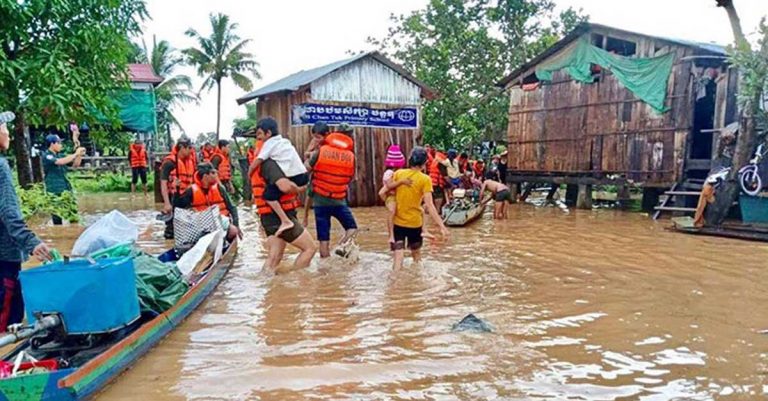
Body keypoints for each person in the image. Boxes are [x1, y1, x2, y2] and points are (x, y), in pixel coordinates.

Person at [0, 111, 51, 331]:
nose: (8, 132)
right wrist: (31, 242)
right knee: (7, 327)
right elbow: (8, 212)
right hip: (4, 259)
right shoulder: (0, 167)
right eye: (3, 127)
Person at [250, 129, 317, 273]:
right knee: (310, 249)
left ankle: (269, 288)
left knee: (275, 257)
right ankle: (296, 283)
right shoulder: (269, 163)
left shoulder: (263, 161)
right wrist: (301, 189)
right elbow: (285, 187)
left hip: (268, 216)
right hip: (279, 217)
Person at [385, 147, 449, 270]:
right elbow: (430, 206)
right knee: (417, 259)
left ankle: (394, 287)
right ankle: (417, 285)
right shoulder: (425, 179)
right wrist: (442, 226)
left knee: (398, 260)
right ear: (425, 163)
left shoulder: (399, 174)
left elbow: (389, 189)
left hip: (398, 223)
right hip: (415, 224)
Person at [304, 123, 359, 258]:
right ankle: (339, 248)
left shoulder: (321, 151)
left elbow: (305, 169)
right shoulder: (351, 157)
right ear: (350, 137)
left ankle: (324, 273)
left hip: (320, 201)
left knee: (323, 241)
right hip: (338, 201)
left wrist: (307, 154)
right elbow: (349, 178)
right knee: (352, 228)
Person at [248, 118, 309, 237]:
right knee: (275, 255)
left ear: (268, 133)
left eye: (260, 134)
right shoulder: (284, 141)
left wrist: (249, 173)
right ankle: (286, 220)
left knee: (268, 196)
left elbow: (258, 161)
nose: (258, 137)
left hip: (294, 179)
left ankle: (285, 221)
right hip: (302, 176)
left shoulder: (268, 145)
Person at [174, 163, 242, 241]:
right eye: (213, 173)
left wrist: (236, 225)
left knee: (233, 231)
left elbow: (232, 208)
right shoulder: (191, 191)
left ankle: (225, 242)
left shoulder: (220, 188)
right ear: (205, 176)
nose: (216, 175)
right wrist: (176, 192)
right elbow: (178, 207)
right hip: (202, 228)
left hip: (221, 223)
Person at [42, 134, 85, 225]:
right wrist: (75, 154)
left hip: (66, 188)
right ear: (52, 144)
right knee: (56, 216)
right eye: (59, 143)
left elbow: (75, 166)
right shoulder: (47, 155)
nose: (61, 145)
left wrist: (79, 155)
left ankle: (74, 232)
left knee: (73, 214)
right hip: (54, 189)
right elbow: (60, 162)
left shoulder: (61, 155)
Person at [160, 137, 196, 239]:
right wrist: (167, 203)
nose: (191, 151)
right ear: (181, 148)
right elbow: (163, 183)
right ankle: (169, 244)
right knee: (171, 228)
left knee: (187, 225)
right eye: (189, 148)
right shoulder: (169, 163)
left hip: (186, 197)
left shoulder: (190, 161)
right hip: (173, 196)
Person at [378, 144, 410, 244]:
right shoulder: (388, 172)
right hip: (391, 196)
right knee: (392, 212)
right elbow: (390, 186)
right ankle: (391, 235)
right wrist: (401, 182)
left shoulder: (400, 172)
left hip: (399, 197)